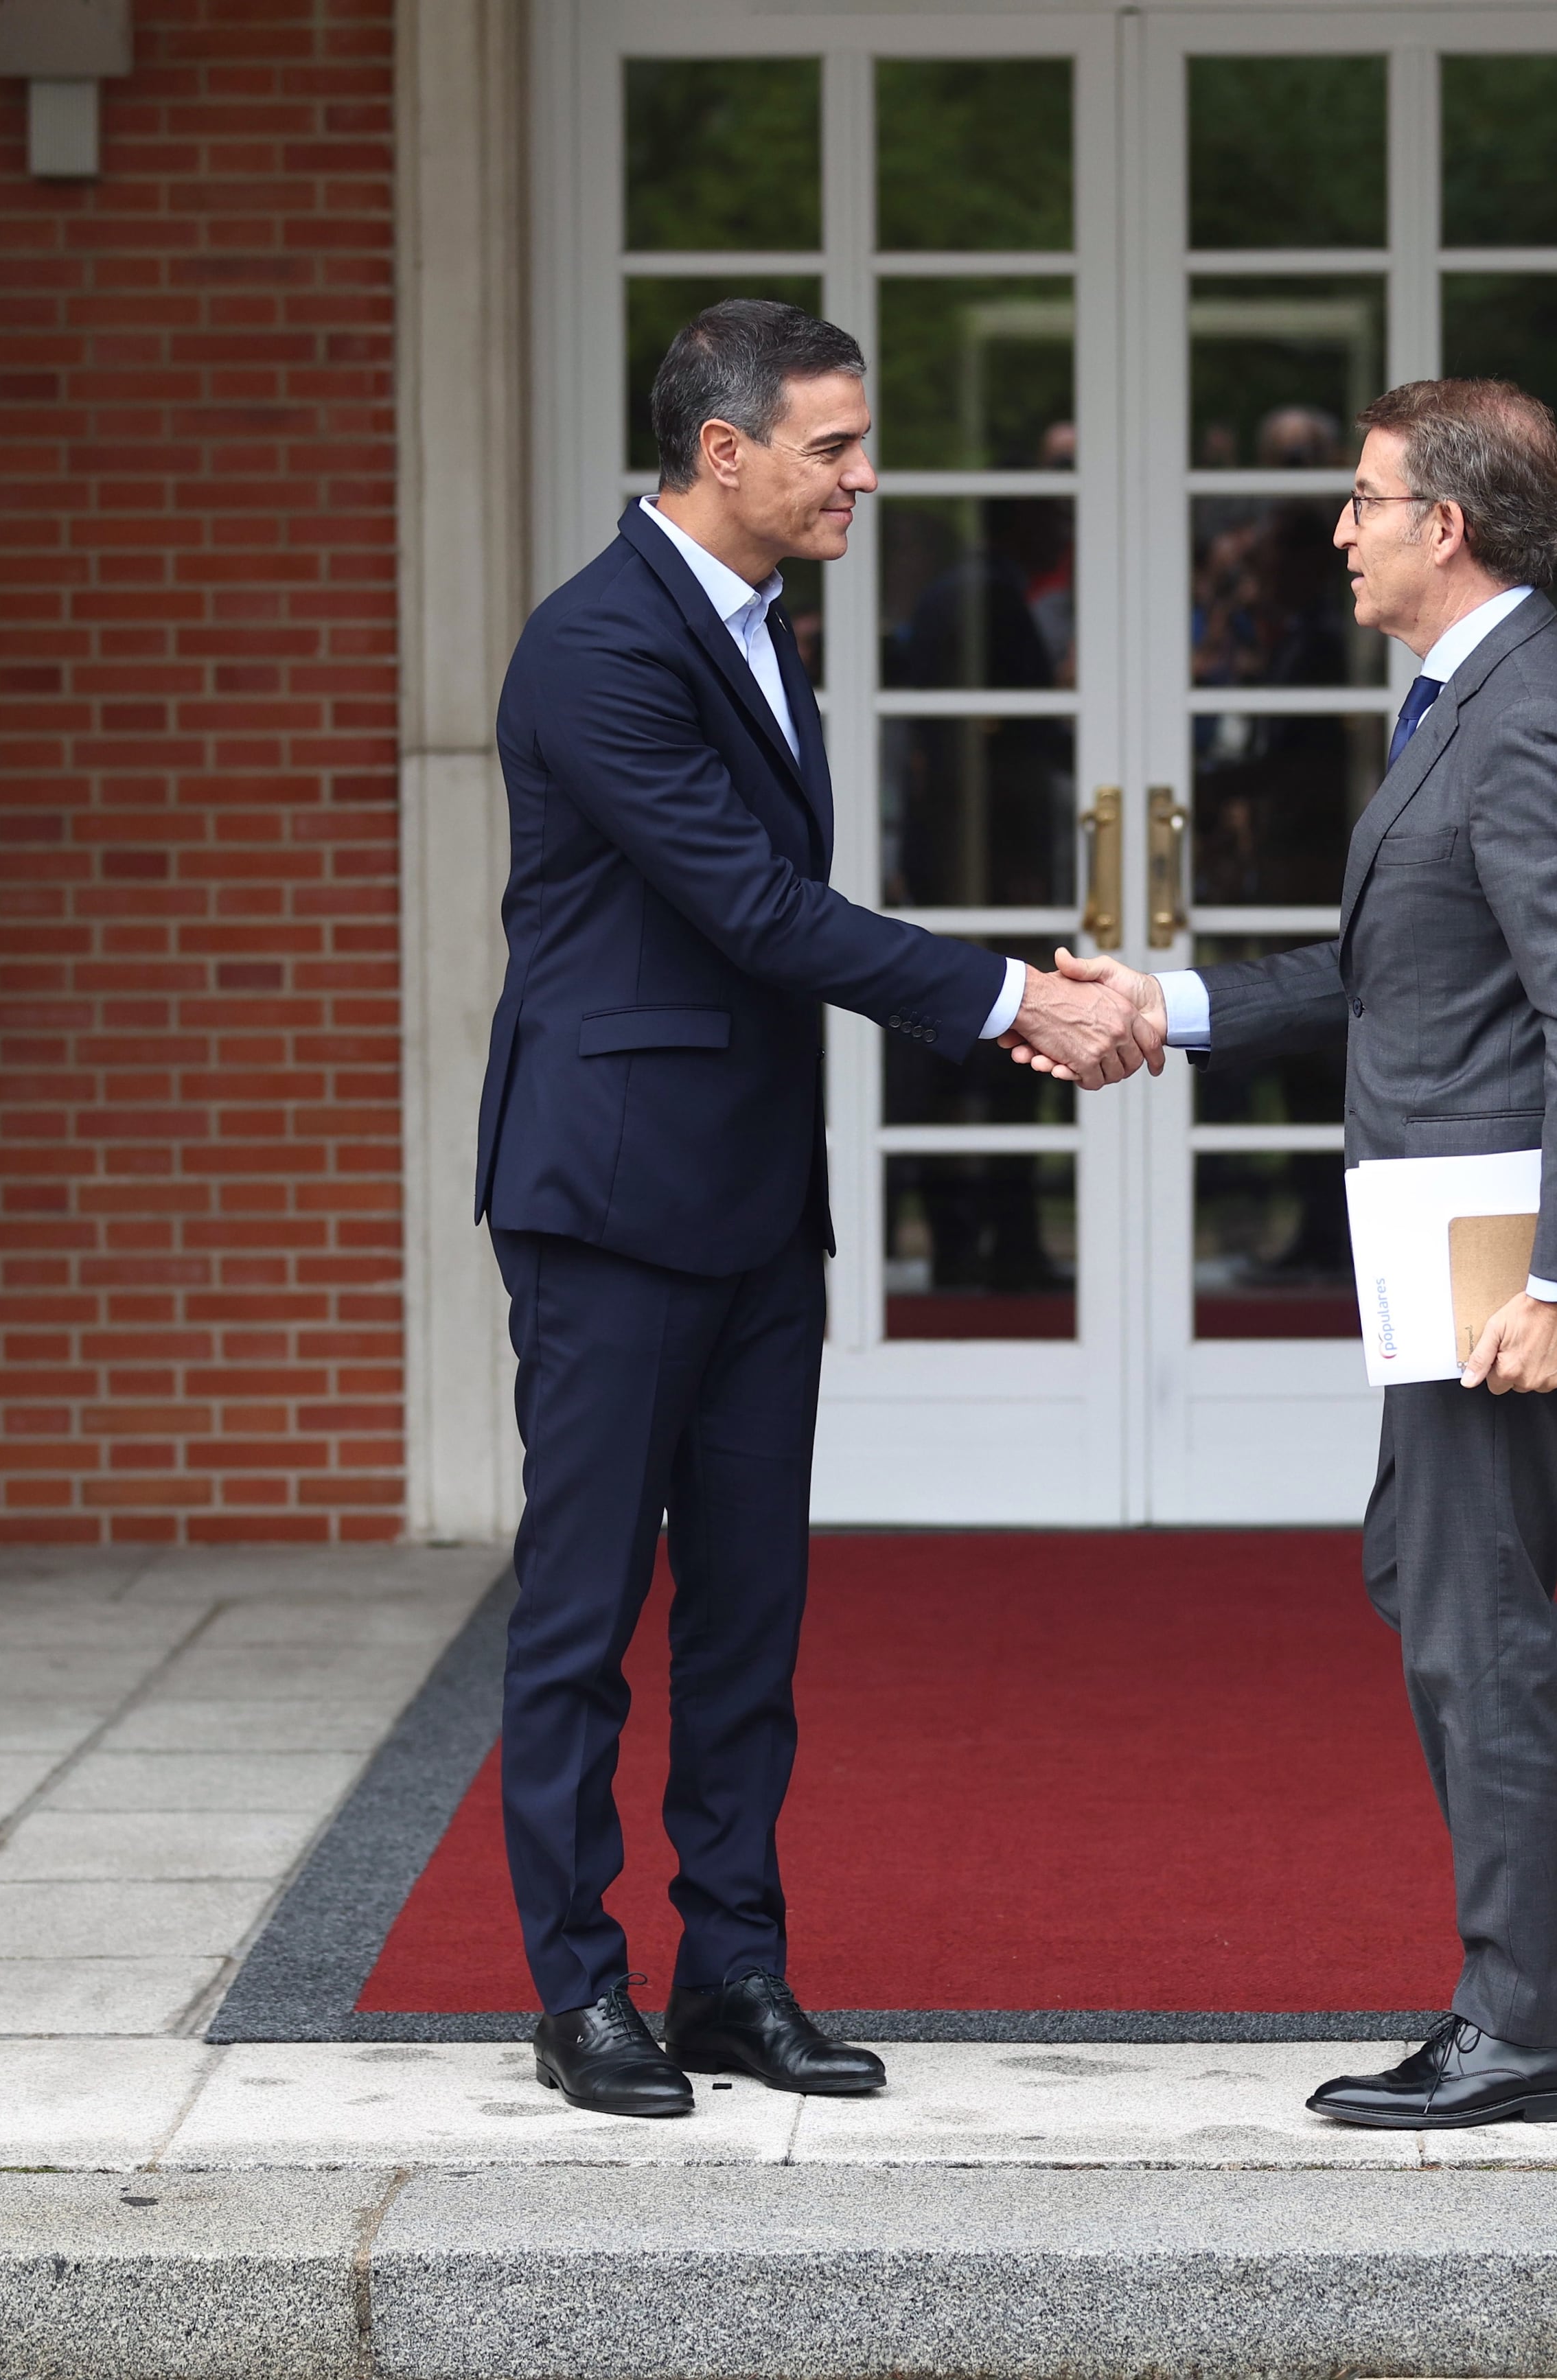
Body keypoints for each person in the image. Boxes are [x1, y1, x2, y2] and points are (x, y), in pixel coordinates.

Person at [1034, 381, 1557, 2130]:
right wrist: (1176, 1006)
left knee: (1462, 1614)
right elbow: (1404, 973)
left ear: (1442, 527)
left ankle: (1523, 2028)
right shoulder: (1474, 699)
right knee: (1437, 1579)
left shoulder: (1521, 716)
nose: (1338, 528)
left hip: (1501, 1261)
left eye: (1364, 501)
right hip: (1463, 1247)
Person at [474, 300, 1155, 2120]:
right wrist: (1018, 997)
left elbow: (780, 917)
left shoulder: (770, 634)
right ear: (723, 452)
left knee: (749, 1619)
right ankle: (576, 1990)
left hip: (761, 1203)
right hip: (612, 1201)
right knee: (581, 1615)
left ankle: (734, 1972)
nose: (868, 475)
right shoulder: (596, 646)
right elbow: (751, 911)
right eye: (835, 446)